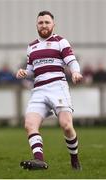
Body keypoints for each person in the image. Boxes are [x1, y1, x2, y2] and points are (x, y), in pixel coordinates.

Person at [16, 11, 83, 170]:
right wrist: (24, 72)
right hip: (39, 90)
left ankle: (74, 159)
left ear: (53, 25)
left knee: (66, 125)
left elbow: (71, 61)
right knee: (29, 124)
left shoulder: (61, 41)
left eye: (47, 22)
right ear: (37, 25)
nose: (44, 25)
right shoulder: (31, 46)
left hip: (57, 88)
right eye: (41, 23)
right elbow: (32, 70)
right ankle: (39, 160)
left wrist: (75, 72)